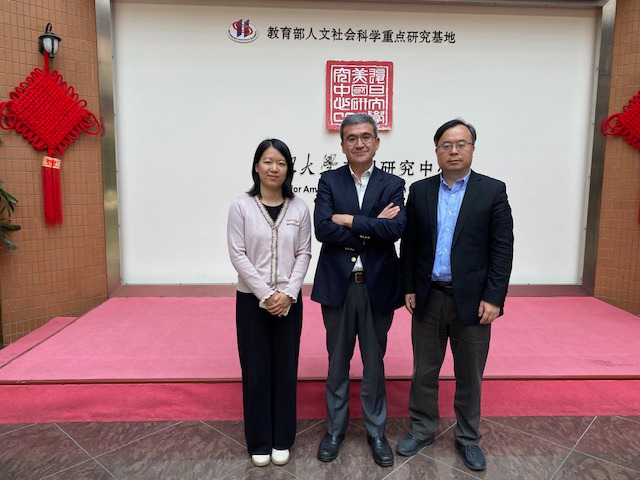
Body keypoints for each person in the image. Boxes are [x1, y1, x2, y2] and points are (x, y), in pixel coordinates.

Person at [398, 119, 514, 471]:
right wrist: (408, 287)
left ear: (472, 148)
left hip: (474, 301)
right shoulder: (420, 191)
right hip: (429, 296)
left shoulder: (491, 190)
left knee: (469, 373)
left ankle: (467, 437)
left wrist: (494, 298)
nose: (453, 150)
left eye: (461, 143)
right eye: (446, 144)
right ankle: (422, 428)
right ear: (436, 151)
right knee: (424, 370)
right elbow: (411, 245)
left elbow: (502, 249)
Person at [312, 113, 406, 467]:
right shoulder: (328, 181)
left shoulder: (393, 183)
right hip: (338, 285)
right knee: (337, 362)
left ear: (377, 142)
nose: (360, 143)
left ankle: (376, 431)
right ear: (342, 145)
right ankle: (334, 430)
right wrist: (372, 226)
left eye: (366, 136)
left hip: (376, 285)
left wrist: (349, 220)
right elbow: (323, 229)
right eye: (352, 138)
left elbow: (395, 229)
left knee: (373, 363)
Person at [227, 138, 312, 467]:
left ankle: (282, 439)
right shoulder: (241, 206)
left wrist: (289, 294)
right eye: (267, 161)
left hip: (290, 302)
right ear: (256, 166)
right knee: (256, 370)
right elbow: (238, 254)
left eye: (280, 162)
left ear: (288, 168)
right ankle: (260, 440)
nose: (274, 168)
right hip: (251, 302)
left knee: (285, 369)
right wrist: (265, 294)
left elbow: (304, 252)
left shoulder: (300, 207)